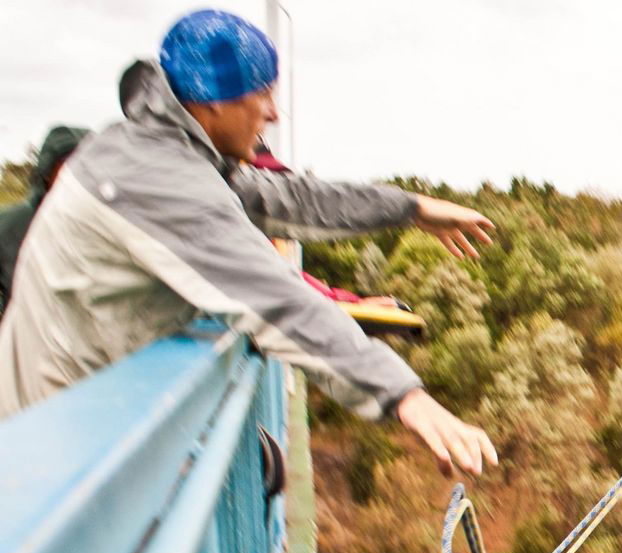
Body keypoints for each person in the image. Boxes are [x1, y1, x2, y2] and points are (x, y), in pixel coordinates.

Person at [0, 9, 496, 476]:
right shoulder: (159, 180)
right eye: (262, 95)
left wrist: (410, 208)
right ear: (214, 102)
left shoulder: (160, 151)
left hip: (78, 422)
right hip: (50, 452)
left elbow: (293, 199)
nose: (274, 114)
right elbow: (276, 298)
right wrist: (407, 397)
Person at [0, 125, 88, 319]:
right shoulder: (9, 226)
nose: (76, 173)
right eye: (68, 163)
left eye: (86, 164)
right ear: (48, 170)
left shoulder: (105, 228)